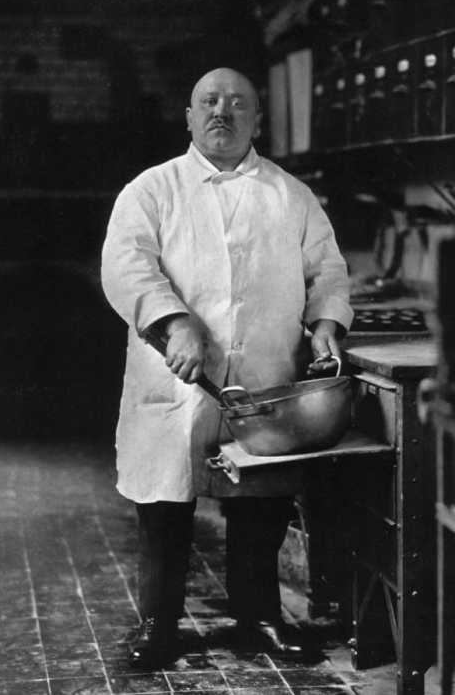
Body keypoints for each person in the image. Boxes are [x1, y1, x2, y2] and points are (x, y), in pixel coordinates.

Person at [101, 68, 353, 669]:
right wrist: (173, 322)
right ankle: (159, 624)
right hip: (176, 380)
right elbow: (125, 267)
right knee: (164, 507)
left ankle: (259, 618)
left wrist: (325, 326)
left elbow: (329, 272)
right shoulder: (151, 190)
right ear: (188, 117)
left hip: (264, 378)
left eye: (238, 103)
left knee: (259, 509)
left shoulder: (291, 194)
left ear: (257, 120)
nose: (223, 111)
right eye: (208, 102)